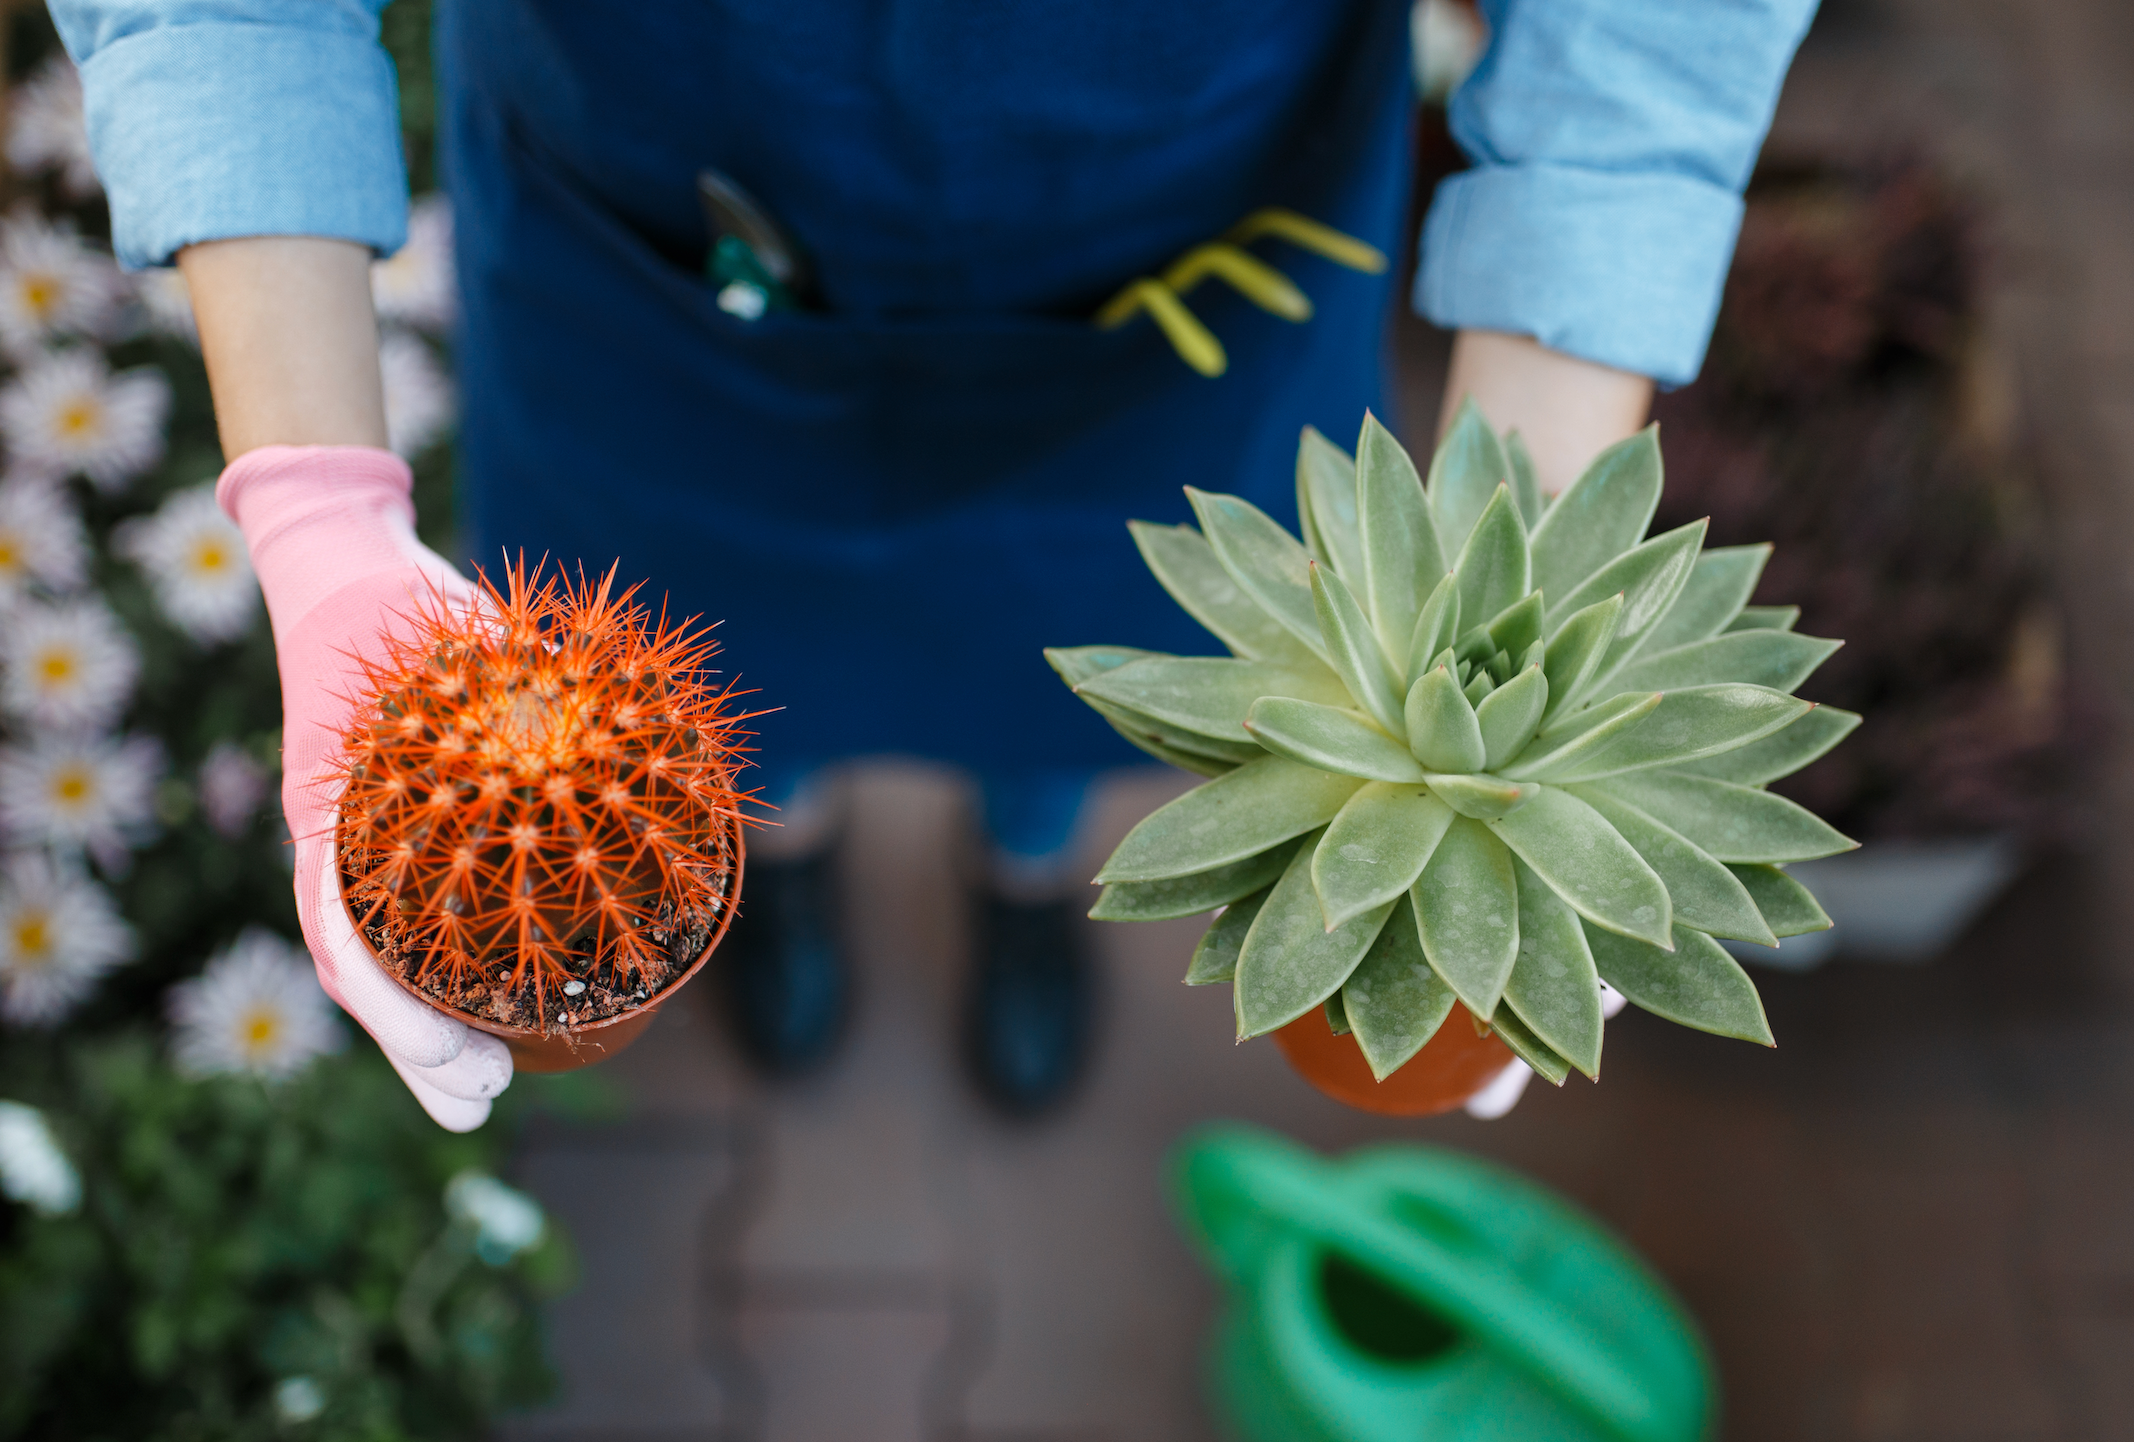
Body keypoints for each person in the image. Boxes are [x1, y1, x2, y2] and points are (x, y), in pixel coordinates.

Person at [53, 0, 1820, 1129]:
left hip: (1205, 253)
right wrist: (315, 512)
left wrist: (1506, 614)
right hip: (643, 235)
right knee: (672, 682)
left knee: (1111, 672)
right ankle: (781, 846)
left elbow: (1643, 38)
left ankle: (1027, 869)